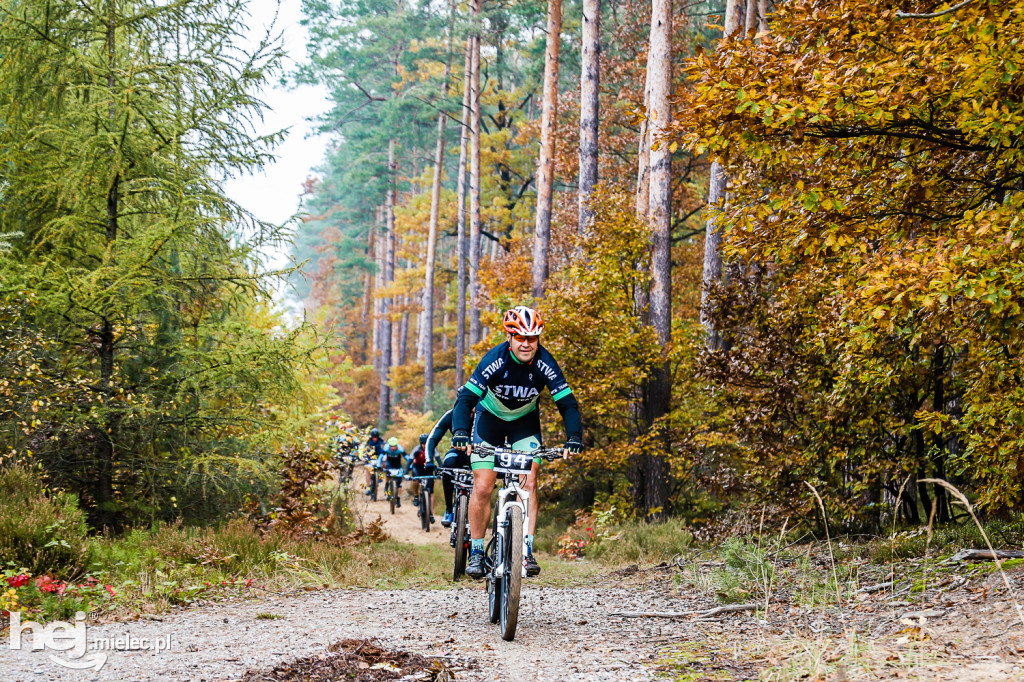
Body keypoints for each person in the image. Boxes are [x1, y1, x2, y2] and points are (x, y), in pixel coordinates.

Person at [451, 305, 583, 579]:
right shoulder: (494, 360)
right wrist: (461, 431)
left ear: (538, 339)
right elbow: (465, 399)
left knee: (530, 480)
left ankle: (526, 550)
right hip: (490, 420)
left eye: (532, 338)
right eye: (520, 337)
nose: (526, 344)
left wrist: (574, 437)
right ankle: (476, 551)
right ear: (509, 337)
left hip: (525, 422)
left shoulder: (546, 363)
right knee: (484, 484)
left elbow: (567, 403)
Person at [425, 406, 473, 528]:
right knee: (447, 466)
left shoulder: (483, 413)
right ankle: (449, 509)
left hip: (478, 453)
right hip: (456, 452)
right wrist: (429, 460)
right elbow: (432, 438)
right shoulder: (451, 415)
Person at [408, 433, 437, 522]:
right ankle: (416, 496)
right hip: (417, 468)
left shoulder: (433, 448)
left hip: (428, 469)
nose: (424, 445)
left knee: (431, 492)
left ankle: (431, 513)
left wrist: (441, 469)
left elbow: (439, 459)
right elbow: (410, 460)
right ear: (420, 443)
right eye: (422, 443)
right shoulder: (416, 449)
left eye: (426, 443)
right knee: (415, 480)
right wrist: (406, 472)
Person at [377, 436, 408, 506]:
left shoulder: (400, 449)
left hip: (398, 465)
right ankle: (387, 485)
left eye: (394, 446)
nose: (393, 448)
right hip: (389, 464)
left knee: (399, 483)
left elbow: (406, 457)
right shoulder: (386, 448)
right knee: (388, 476)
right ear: (389, 446)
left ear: (396, 445)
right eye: (391, 446)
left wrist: (410, 464)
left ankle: (398, 499)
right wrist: (378, 464)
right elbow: (381, 456)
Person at [363, 428, 385, 496]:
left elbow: (386, 447)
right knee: (368, 470)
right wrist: (364, 456)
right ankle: (368, 487)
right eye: (373, 437)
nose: (375, 439)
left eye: (376, 437)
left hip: (379, 456)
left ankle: (380, 476)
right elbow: (363, 449)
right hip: (369, 457)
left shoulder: (382, 441)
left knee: (383, 463)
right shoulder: (367, 441)